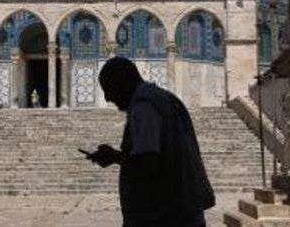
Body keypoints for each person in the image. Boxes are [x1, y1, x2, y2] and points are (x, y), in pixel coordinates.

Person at [83, 57, 215, 227]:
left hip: (164, 216)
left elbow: (147, 163)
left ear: (122, 82)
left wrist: (114, 157)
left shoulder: (144, 107)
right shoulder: (164, 99)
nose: (108, 98)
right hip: (183, 212)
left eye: (109, 89)